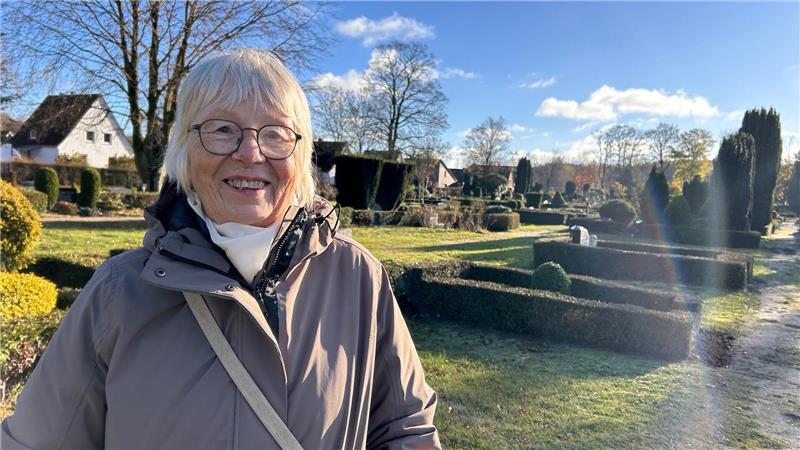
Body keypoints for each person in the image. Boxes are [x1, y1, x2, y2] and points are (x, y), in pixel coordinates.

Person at [1, 48, 440, 449]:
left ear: (301, 155)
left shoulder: (359, 279)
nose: (250, 152)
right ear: (185, 150)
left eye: (275, 133)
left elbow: (405, 430)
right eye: (222, 129)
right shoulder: (118, 294)